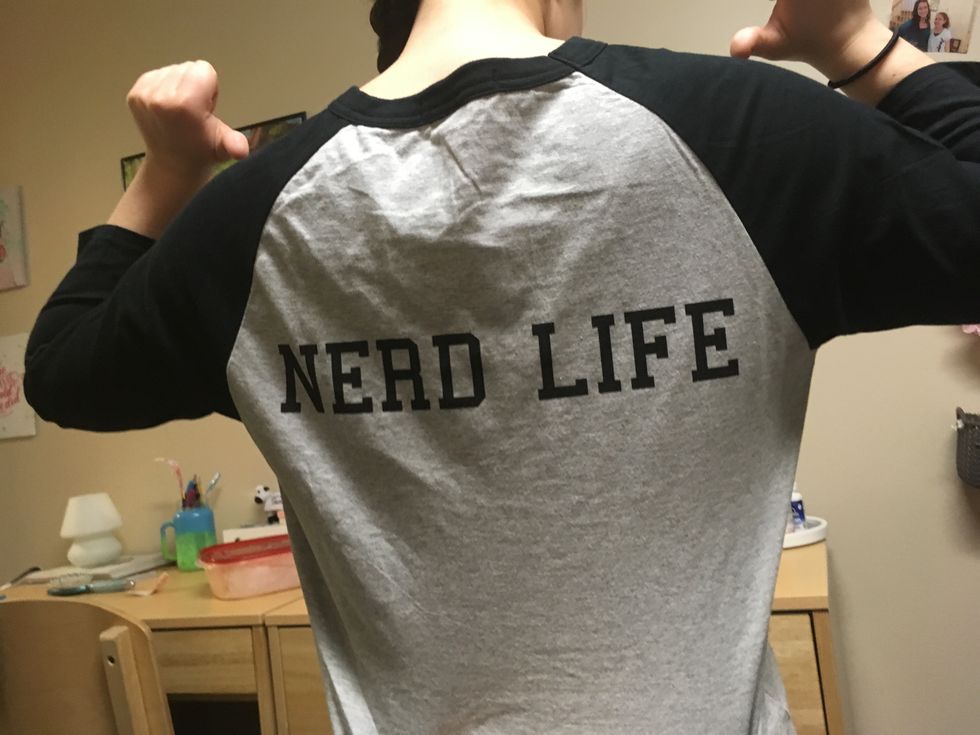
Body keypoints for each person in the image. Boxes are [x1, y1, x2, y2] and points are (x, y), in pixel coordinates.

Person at [23, 0, 980, 732]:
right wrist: (857, 43)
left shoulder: (251, 218)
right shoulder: (744, 135)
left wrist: (166, 171)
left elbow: (62, 367)